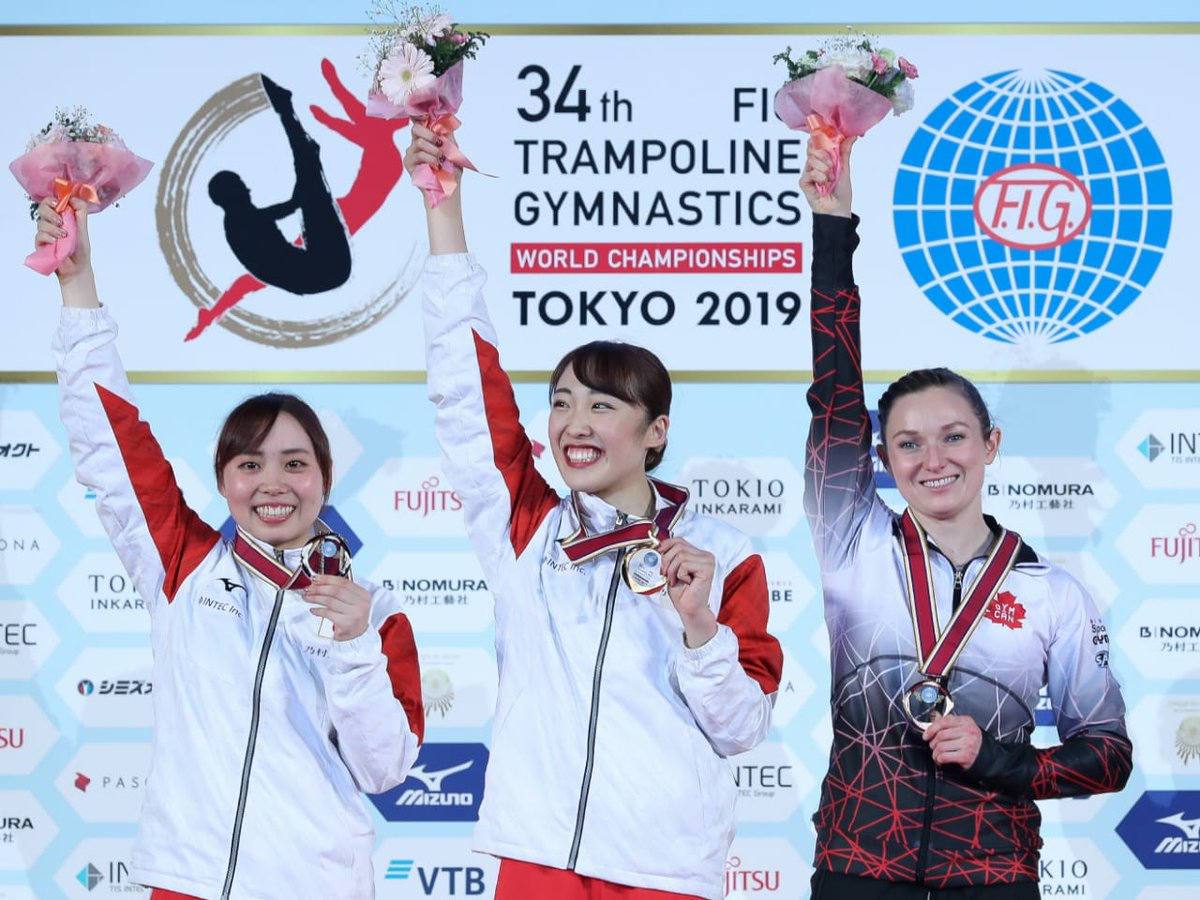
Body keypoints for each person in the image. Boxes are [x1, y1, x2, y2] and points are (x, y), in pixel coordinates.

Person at [407, 123, 784, 900]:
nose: (574, 422)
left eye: (603, 405)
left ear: (656, 434)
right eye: (562, 402)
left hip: (662, 873)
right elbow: (466, 393)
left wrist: (701, 631)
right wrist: (442, 212)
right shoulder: (528, 529)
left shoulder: (723, 555)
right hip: (537, 859)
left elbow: (742, 729)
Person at [37, 196, 423, 900]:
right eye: (249, 464)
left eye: (294, 462)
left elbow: (384, 770)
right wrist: (76, 289)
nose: (272, 482)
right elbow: (109, 442)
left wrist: (352, 645)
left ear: (326, 479)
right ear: (222, 481)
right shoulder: (183, 563)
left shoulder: (377, 612)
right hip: (187, 881)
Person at [800, 138, 1132, 899]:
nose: (933, 459)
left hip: (992, 873)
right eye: (907, 444)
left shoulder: (1053, 595)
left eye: (954, 436)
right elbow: (834, 391)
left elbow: (1108, 755)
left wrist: (1000, 760)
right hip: (859, 868)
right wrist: (832, 225)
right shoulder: (850, 540)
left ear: (991, 445)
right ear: (881, 457)